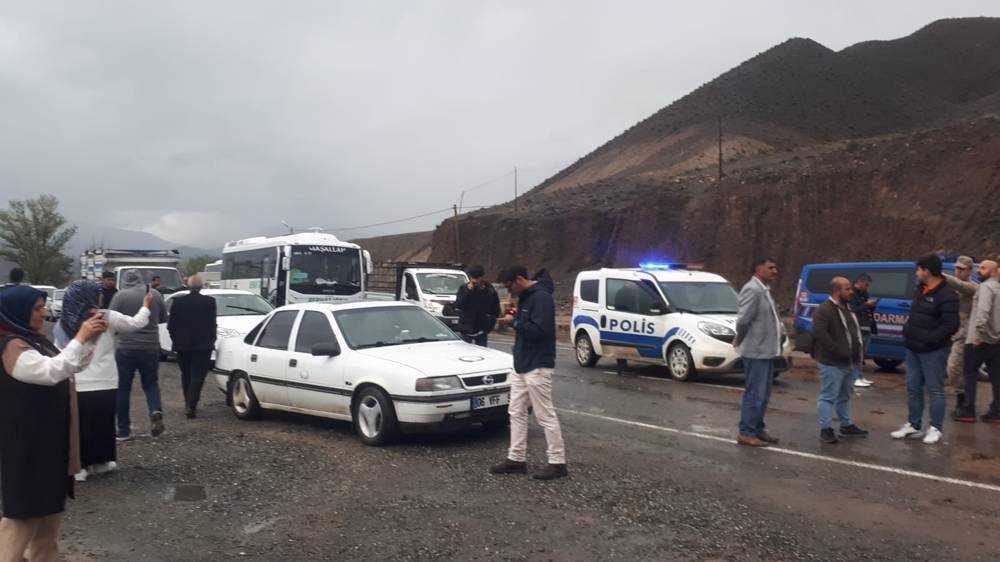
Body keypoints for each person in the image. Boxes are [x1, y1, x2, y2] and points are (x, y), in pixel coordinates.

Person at [0, 284, 106, 562]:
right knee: (22, 519)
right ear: (18, 310)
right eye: (37, 308)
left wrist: (91, 339)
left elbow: (70, 365)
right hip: (28, 445)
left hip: (48, 442)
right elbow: (50, 372)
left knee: (48, 520)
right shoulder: (10, 345)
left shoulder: (33, 339)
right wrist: (81, 337)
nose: (43, 312)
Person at [58, 280, 153, 481]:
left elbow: (60, 354)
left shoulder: (62, 322)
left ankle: (80, 467)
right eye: (98, 293)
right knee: (103, 422)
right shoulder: (107, 317)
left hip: (77, 382)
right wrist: (146, 305)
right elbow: (136, 323)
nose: (101, 296)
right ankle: (101, 462)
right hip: (106, 380)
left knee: (79, 425)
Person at [490, 266, 567, 480]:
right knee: (515, 411)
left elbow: (540, 331)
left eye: (510, 286)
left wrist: (514, 322)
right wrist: (517, 319)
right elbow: (528, 324)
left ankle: (557, 461)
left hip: (538, 364)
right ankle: (516, 458)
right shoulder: (527, 297)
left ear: (519, 279)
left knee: (545, 414)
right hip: (522, 363)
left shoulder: (540, 298)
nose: (510, 292)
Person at [892, 254, 960, 444]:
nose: (916, 273)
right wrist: (908, 332)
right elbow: (914, 315)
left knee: (935, 389)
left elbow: (951, 325)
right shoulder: (920, 289)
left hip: (934, 351)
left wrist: (929, 339)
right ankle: (913, 424)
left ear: (927, 271)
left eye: (918, 269)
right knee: (913, 388)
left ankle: (936, 427)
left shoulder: (947, 295)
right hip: (913, 348)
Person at [109, 268, 168, 440]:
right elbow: (163, 318)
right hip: (150, 346)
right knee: (150, 383)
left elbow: (111, 320)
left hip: (125, 347)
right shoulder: (155, 294)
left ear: (125, 280)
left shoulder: (120, 296)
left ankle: (123, 430)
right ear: (141, 279)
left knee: (123, 388)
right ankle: (155, 411)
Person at [734, 257, 785, 447]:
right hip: (756, 351)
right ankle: (746, 432)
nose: (775, 271)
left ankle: (757, 428)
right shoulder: (752, 289)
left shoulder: (764, 290)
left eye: (775, 267)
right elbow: (743, 320)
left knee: (763, 394)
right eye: (771, 267)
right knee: (755, 393)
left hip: (767, 351)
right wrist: (739, 338)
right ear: (758, 268)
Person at [812, 277, 870, 443]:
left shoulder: (848, 308)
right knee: (828, 396)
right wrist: (838, 351)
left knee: (845, 395)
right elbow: (821, 334)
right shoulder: (824, 310)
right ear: (837, 291)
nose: (851, 292)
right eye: (847, 289)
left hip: (850, 362)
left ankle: (846, 425)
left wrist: (857, 354)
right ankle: (826, 429)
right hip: (832, 362)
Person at [953, 260, 1000, 423]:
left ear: (994, 271)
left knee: (969, 375)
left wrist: (978, 334)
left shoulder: (986, 287)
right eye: (979, 267)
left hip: (978, 340)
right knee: (996, 377)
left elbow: (983, 311)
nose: (979, 271)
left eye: (983, 268)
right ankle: (996, 412)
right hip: (996, 340)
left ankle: (968, 411)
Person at [167, 275, 217, 418]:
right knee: (198, 375)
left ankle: (188, 403)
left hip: (182, 345)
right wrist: (212, 339)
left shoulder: (178, 302)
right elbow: (212, 323)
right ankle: (191, 404)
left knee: (186, 374)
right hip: (203, 345)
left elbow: (172, 325)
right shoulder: (210, 302)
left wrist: (175, 339)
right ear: (201, 287)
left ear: (188, 286)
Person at [943, 256, 978, 406]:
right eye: (957, 268)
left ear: (970, 270)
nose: (958, 271)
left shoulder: (974, 287)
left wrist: (939, 273)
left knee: (954, 367)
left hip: (964, 334)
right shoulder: (949, 288)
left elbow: (960, 285)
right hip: (947, 331)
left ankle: (962, 399)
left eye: (962, 269)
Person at [455, 265, 501, 347]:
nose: (474, 281)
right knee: (464, 351)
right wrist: (468, 292)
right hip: (466, 328)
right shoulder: (464, 288)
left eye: (477, 278)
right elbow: (459, 305)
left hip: (482, 329)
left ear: (482, 277)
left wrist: (489, 325)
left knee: (482, 352)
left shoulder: (490, 290)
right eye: (472, 278)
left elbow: (496, 310)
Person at [847, 273, 878, 387]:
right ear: (859, 282)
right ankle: (854, 377)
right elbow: (854, 310)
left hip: (867, 326)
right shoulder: (852, 294)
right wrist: (866, 304)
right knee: (856, 354)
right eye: (866, 285)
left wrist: (872, 305)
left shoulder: (864, 294)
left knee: (862, 354)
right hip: (858, 326)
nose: (867, 287)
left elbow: (866, 309)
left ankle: (860, 376)